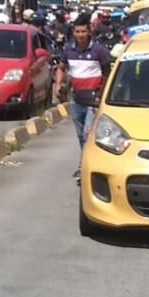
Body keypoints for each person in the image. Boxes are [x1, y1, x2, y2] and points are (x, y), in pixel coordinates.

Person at [54, 19, 112, 181]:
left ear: (89, 32)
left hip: (94, 100)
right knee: (80, 134)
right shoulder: (68, 50)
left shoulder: (98, 50)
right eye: (77, 32)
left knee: (87, 134)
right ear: (73, 32)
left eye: (83, 32)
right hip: (76, 98)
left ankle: (84, 167)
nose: (81, 35)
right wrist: (58, 84)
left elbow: (107, 73)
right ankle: (87, 163)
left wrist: (102, 94)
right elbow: (61, 67)